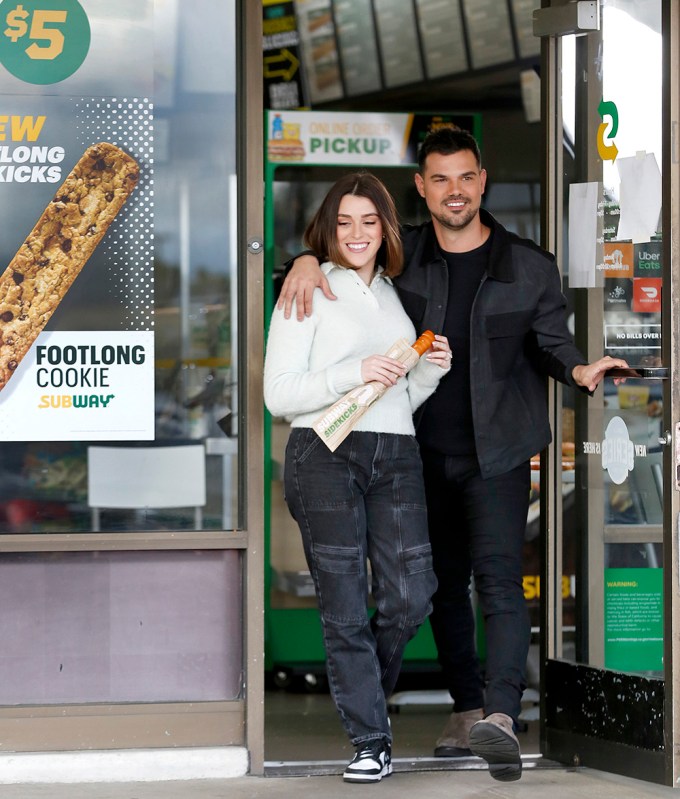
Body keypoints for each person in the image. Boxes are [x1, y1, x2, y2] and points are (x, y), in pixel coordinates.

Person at [276, 128, 628, 782]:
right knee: (436, 588)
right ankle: (464, 706)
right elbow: (339, 265)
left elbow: (554, 342)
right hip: (413, 451)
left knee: (497, 574)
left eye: (465, 177)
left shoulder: (528, 264)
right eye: (441, 179)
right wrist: (301, 258)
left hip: (497, 449)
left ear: (483, 180)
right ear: (422, 187)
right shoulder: (400, 260)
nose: (455, 191)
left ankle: (498, 712)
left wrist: (581, 371)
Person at [264, 172, 452, 784]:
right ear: (327, 228)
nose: (357, 234)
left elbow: (398, 397)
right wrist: (350, 370)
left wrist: (428, 375)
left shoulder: (398, 298)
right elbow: (277, 395)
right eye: (344, 222)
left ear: (386, 229)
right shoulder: (310, 289)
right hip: (324, 451)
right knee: (344, 606)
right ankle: (370, 739)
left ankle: (366, 698)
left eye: (369, 222)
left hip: (395, 450)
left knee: (410, 595)